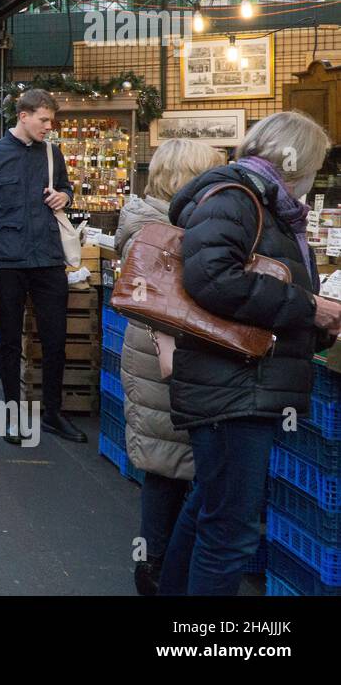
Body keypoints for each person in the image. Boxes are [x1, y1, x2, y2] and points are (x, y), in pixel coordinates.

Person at [158, 111, 341, 596]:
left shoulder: (261, 202)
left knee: (209, 510)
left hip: (239, 382)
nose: (314, 176)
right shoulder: (240, 199)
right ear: (294, 159)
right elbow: (214, 280)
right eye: (315, 164)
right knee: (229, 534)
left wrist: (318, 323)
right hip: (233, 386)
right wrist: (310, 307)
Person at [113, 139, 226, 595]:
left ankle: (161, 566)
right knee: (167, 464)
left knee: (168, 464)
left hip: (159, 357)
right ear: (188, 177)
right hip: (163, 359)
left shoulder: (156, 219)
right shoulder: (159, 229)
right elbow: (162, 302)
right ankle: (157, 570)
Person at [0, 88, 83, 444]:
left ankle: (52, 414)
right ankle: (13, 416)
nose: (50, 126)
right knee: (9, 343)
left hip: (48, 258)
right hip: (6, 260)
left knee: (55, 339)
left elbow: (64, 189)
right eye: (44, 120)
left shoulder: (53, 153)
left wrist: (66, 195)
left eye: (51, 120)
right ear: (23, 116)